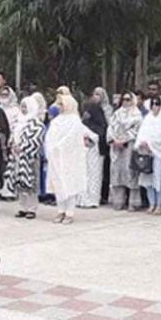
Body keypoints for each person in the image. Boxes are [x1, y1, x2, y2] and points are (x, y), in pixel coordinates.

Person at [45, 94, 98, 224]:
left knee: (70, 184)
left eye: (62, 104)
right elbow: (50, 136)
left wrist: (60, 146)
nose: (60, 107)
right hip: (56, 157)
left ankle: (70, 212)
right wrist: (52, 148)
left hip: (70, 157)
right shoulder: (56, 121)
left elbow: (72, 137)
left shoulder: (75, 121)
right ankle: (60, 210)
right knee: (58, 184)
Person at [5, 96, 44, 219]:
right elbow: (12, 135)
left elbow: (37, 140)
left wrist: (23, 147)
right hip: (16, 156)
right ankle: (22, 207)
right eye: (22, 106)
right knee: (19, 182)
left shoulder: (37, 123)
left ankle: (32, 209)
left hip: (29, 158)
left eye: (26, 106)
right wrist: (13, 145)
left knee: (30, 183)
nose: (23, 109)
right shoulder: (17, 121)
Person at [136, 97, 161, 215]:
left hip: (159, 153)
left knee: (159, 178)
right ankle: (151, 203)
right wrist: (143, 143)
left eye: (157, 104)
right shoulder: (147, 119)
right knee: (148, 179)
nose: (155, 107)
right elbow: (142, 133)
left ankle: (160, 204)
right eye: (153, 104)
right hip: (147, 153)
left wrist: (151, 144)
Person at [107, 93, 143, 211]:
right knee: (117, 172)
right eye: (123, 99)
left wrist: (124, 139)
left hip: (130, 147)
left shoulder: (137, 115)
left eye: (128, 99)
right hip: (116, 149)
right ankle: (118, 201)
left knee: (130, 172)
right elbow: (110, 127)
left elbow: (137, 130)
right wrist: (114, 140)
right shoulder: (116, 114)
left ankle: (133, 203)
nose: (125, 102)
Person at [78, 88, 108, 208]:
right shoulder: (83, 122)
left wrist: (90, 138)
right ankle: (83, 199)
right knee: (84, 175)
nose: (86, 114)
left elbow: (101, 132)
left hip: (95, 152)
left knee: (94, 175)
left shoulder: (100, 122)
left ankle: (93, 200)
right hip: (84, 151)